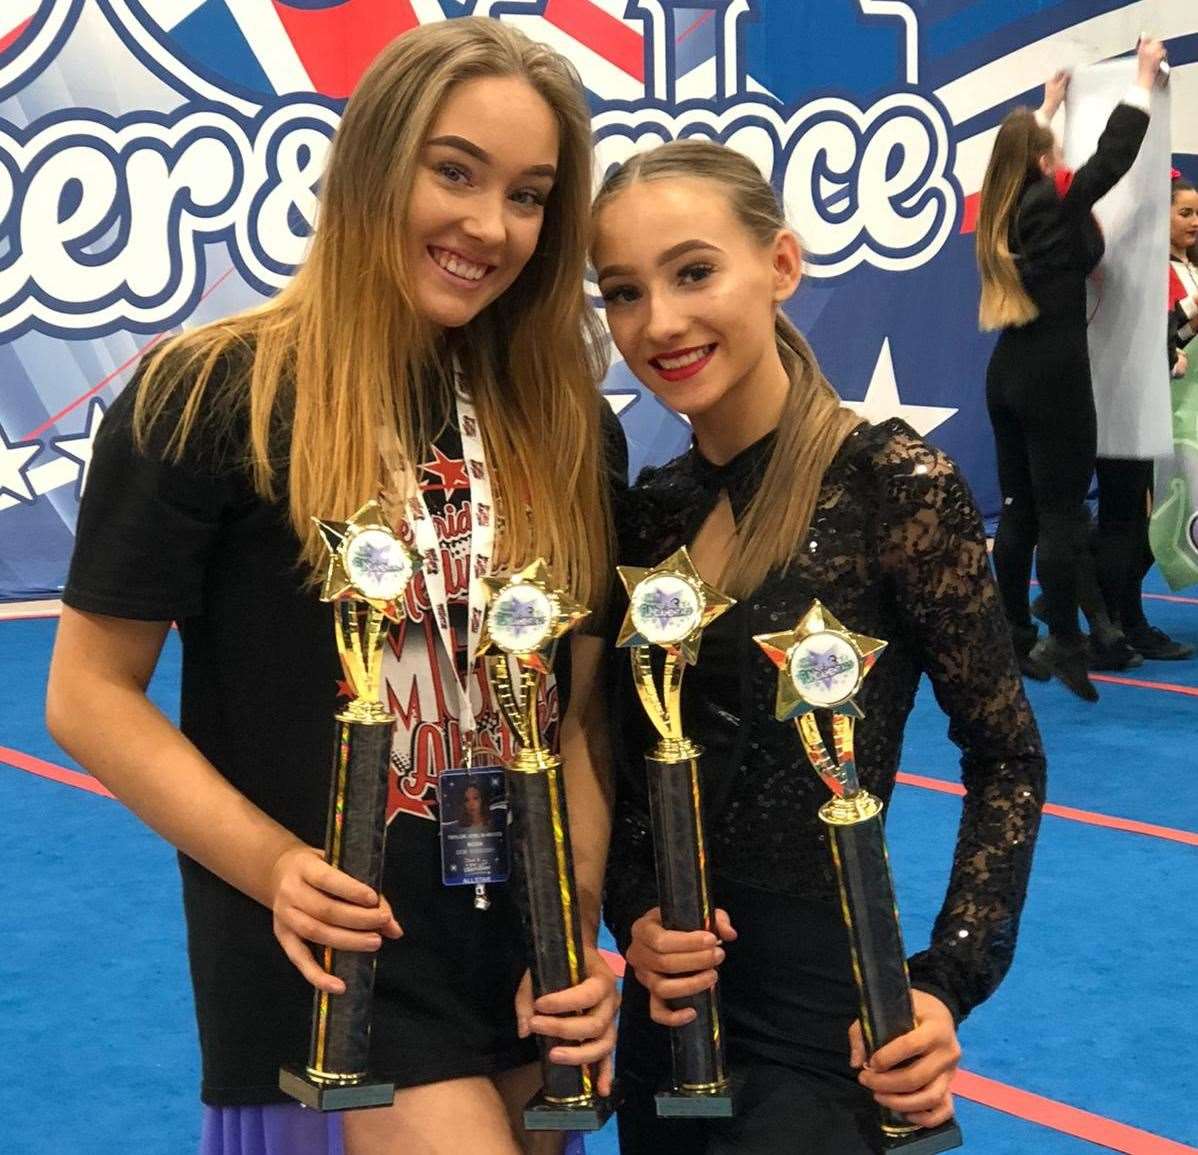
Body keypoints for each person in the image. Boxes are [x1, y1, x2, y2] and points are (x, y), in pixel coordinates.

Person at [45, 19, 621, 1155]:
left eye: (528, 194)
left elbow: (579, 719)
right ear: (371, 161)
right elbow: (87, 694)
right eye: (452, 172)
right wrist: (275, 869)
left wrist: (576, 931)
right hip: (327, 945)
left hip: (510, 946)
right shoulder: (211, 394)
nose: (487, 226)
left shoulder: (566, 428)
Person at [591, 139, 1047, 1155]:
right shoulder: (648, 515)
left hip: (832, 1020)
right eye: (621, 291)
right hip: (671, 1016)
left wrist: (945, 980)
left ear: (781, 267)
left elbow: (1006, 754)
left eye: (693, 271)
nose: (657, 322)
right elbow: (627, 765)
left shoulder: (894, 488)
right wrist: (636, 920)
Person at [975, 39, 1166, 700]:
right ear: (1040, 162)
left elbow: (1026, 164)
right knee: (1060, 515)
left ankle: (1015, 631)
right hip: (1055, 378)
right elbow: (1111, 160)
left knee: (1017, 511)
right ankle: (1067, 640)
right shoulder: (1051, 203)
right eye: (1051, 154)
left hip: (1007, 375)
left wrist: (1049, 110)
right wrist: (1142, 80)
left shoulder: (1000, 208)